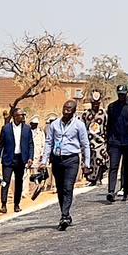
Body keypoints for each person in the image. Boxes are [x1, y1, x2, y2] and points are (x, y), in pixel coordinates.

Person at [45, 98, 93, 231]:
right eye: (64, 108)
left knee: (68, 187)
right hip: (57, 159)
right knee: (60, 188)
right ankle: (65, 213)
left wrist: (86, 163)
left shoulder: (79, 125)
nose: (66, 111)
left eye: (69, 109)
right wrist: (44, 161)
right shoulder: (54, 125)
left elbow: (85, 145)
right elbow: (49, 142)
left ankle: (64, 215)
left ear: (74, 111)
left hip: (72, 159)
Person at [0, 106, 34, 215]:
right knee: (5, 182)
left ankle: (17, 204)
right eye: (21, 115)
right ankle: (3, 204)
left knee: (19, 182)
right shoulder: (6, 128)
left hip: (21, 159)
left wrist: (30, 157)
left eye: (23, 115)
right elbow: (0, 145)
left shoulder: (27, 129)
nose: (23, 116)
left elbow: (30, 144)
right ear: (15, 116)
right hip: (8, 159)